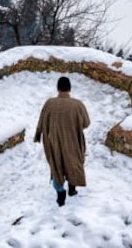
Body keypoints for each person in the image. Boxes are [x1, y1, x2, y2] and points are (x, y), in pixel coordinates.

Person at [34, 76, 90, 206]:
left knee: (56, 165)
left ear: (58, 88)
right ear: (69, 89)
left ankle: (60, 194)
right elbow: (86, 123)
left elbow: (42, 122)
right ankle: (72, 189)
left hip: (54, 143)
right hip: (73, 141)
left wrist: (38, 134)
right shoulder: (78, 104)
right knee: (73, 163)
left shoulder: (49, 103)